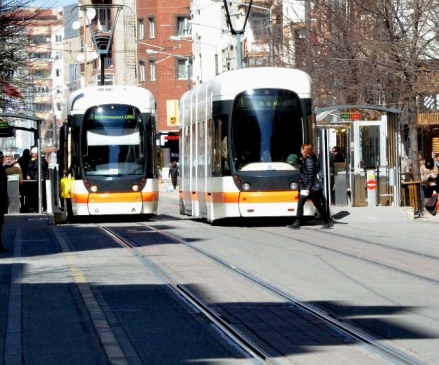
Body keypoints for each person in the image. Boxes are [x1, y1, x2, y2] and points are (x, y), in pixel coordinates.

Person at [287, 144, 331, 230]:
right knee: (312, 204)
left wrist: (308, 188)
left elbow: (311, 175)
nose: (301, 150)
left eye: (302, 149)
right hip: (306, 186)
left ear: (305, 150)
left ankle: (326, 221)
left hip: (309, 187)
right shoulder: (306, 159)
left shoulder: (309, 160)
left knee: (313, 204)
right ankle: (298, 222)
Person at [0, 152, 10, 252]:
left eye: (2, 157)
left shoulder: (2, 169)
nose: (2, 159)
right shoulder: (1, 170)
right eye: (0, 158)